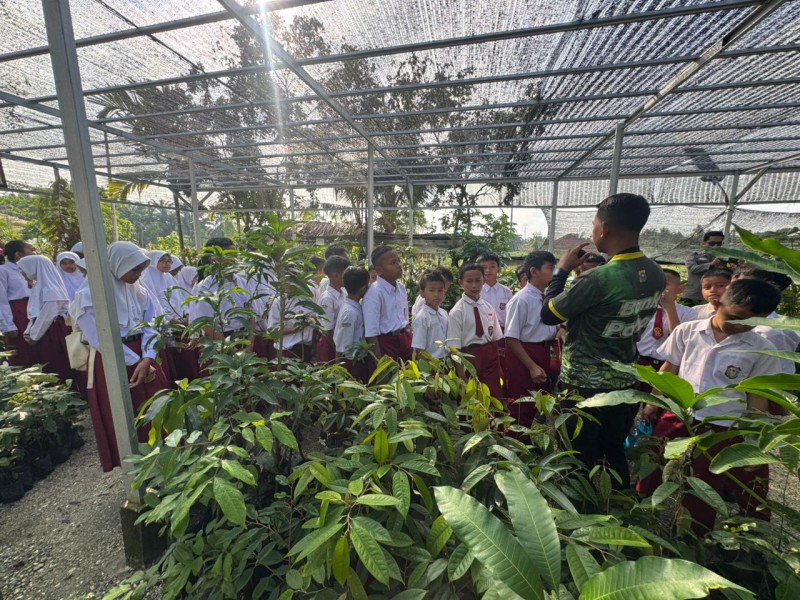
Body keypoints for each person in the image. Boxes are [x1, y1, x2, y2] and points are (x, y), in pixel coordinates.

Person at [541, 193, 665, 488]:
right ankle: (618, 504)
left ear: (605, 228)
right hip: (624, 383)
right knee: (612, 452)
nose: (593, 229)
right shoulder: (657, 274)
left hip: (585, 384)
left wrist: (562, 271)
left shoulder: (599, 279)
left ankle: (581, 516)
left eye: (594, 223)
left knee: (578, 456)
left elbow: (549, 313)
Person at [641, 279, 783, 533]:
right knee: (653, 461)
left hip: (720, 425)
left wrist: (753, 436)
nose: (740, 325)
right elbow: (670, 368)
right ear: (720, 303)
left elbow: (757, 397)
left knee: (703, 482)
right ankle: (639, 511)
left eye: (750, 322)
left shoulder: (762, 349)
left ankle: (691, 534)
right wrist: (653, 402)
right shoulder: (689, 331)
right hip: (678, 413)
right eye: (735, 316)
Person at [69, 241, 169, 472]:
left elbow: (152, 323)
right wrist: (137, 361)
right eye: (135, 270)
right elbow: (100, 339)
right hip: (114, 359)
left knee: (156, 406)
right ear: (116, 265)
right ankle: (137, 466)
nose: (138, 275)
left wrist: (147, 357)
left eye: (141, 270)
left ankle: (164, 459)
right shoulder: (88, 296)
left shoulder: (138, 289)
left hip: (145, 355)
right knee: (126, 414)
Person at [504, 251, 560, 426]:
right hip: (525, 353)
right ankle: (516, 445)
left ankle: (528, 443)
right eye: (550, 268)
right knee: (522, 404)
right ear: (534, 271)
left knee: (537, 401)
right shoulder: (521, 300)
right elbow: (511, 337)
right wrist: (532, 366)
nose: (554, 272)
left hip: (542, 351)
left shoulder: (546, 297)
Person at [447, 263, 504, 398]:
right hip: (468, 358)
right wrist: (461, 377)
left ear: (483, 281)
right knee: (472, 399)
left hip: (489, 357)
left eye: (478, 280)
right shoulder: (457, 312)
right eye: (469, 281)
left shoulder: (488, 308)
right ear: (461, 283)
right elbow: (454, 349)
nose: (474, 285)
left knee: (493, 395)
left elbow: (495, 337)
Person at [17, 255, 72, 384]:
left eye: (24, 269)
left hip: (52, 332)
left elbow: (48, 315)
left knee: (56, 364)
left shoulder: (51, 289)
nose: (22, 272)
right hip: (44, 330)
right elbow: (36, 314)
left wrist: (34, 335)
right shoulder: (40, 286)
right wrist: (29, 331)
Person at [636, 268, 698, 373]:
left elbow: (679, 341)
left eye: (665, 284)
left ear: (679, 290)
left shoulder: (689, 313)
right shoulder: (641, 308)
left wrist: (669, 308)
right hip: (639, 360)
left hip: (667, 365)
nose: (659, 288)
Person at [363, 246, 411, 361]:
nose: (399, 265)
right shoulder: (374, 294)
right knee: (391, 377)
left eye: (399, 260)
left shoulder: (401, 288)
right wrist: (380, 365)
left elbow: (404, 318)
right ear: (379, 270)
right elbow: (371, 334)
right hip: (386, 344)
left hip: (404, 340)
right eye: (393, 263)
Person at [0, 239, 37, 367]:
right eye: (31, 250)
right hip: (17, 312)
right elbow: (1, 299)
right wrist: (7, 325)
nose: (35, 252)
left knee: (39, 348)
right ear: (18, 254)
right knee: (22, 351)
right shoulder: (3, 271)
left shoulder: (31, 269)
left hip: (33, 310)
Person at [334, 266, 371, 381]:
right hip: (351, 364)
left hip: (357, 361)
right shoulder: (350, 313)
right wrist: (338, 376)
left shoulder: (354, 306)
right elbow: (342, 348)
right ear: (363, 288)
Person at [316, 255, 350, 363]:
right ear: (336, 276)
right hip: (331, 345)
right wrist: (338, 350)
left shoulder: (344, 292)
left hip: (341, 343)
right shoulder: (327, 298)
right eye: (346, 274)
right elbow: (327, 330)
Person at [411, 271, 449, 360]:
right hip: (432, 364)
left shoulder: (444, 313)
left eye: (440, 290)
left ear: (444, 292)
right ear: (422, 293)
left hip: (446, 361)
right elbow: (419, 349)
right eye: (432, 290)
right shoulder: (422, 318)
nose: (436, 295)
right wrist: (427, 371)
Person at [683, 231, 725, 306]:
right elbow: (693, 268)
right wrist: (711, 265)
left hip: (715, 298)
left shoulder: (724, 258)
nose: (715, 246)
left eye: (719, 244)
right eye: (712, 243)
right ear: (704, 243)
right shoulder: (695, 256)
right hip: (693, 296)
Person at [478, 253, 513, 330]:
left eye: (492, 267)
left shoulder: (507, 292)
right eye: (484, 267)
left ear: (499, 269)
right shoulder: (476, 292)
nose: (488, 270)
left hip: (503, 331)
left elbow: (511, 315)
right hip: (482, 332)